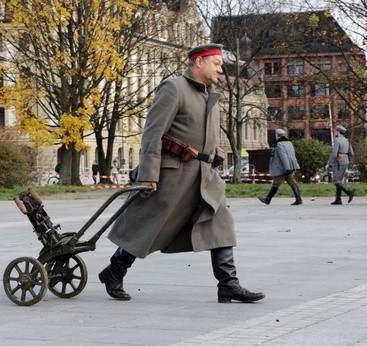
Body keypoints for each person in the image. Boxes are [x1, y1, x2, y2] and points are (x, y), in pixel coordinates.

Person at [98, 43, 264, 303]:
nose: (221, 68)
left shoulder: (209, 94)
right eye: (216, 63)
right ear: (199, 62)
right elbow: (153, 133)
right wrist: (148, 173)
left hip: (205, 175)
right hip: (174, 175)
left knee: (220, 223)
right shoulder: (174, 87)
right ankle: (114, 271)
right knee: (151, 227)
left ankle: (228, 284)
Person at [258, 128, 302, 205]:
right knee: (292, 182)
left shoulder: (279, 145)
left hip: (282, 167)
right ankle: (298, 199)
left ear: (277, 136)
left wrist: (287, 168)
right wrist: (291, 167)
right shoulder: (289, 143)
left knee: (276, 183)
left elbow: (283, 157)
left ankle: (267, 199)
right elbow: (292, 155)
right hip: (289, 167)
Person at [325, 125, 355, 205]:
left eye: (335, 131)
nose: (335, 132)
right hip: (345, 161)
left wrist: (328, 163)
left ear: (338, 132)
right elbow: (351, 153)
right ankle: (338, 199)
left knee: (335, 180)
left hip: (338, 162)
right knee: (339, 180)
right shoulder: (347, 141)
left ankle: (349, 192)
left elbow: (334, 154)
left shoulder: (337, 141)